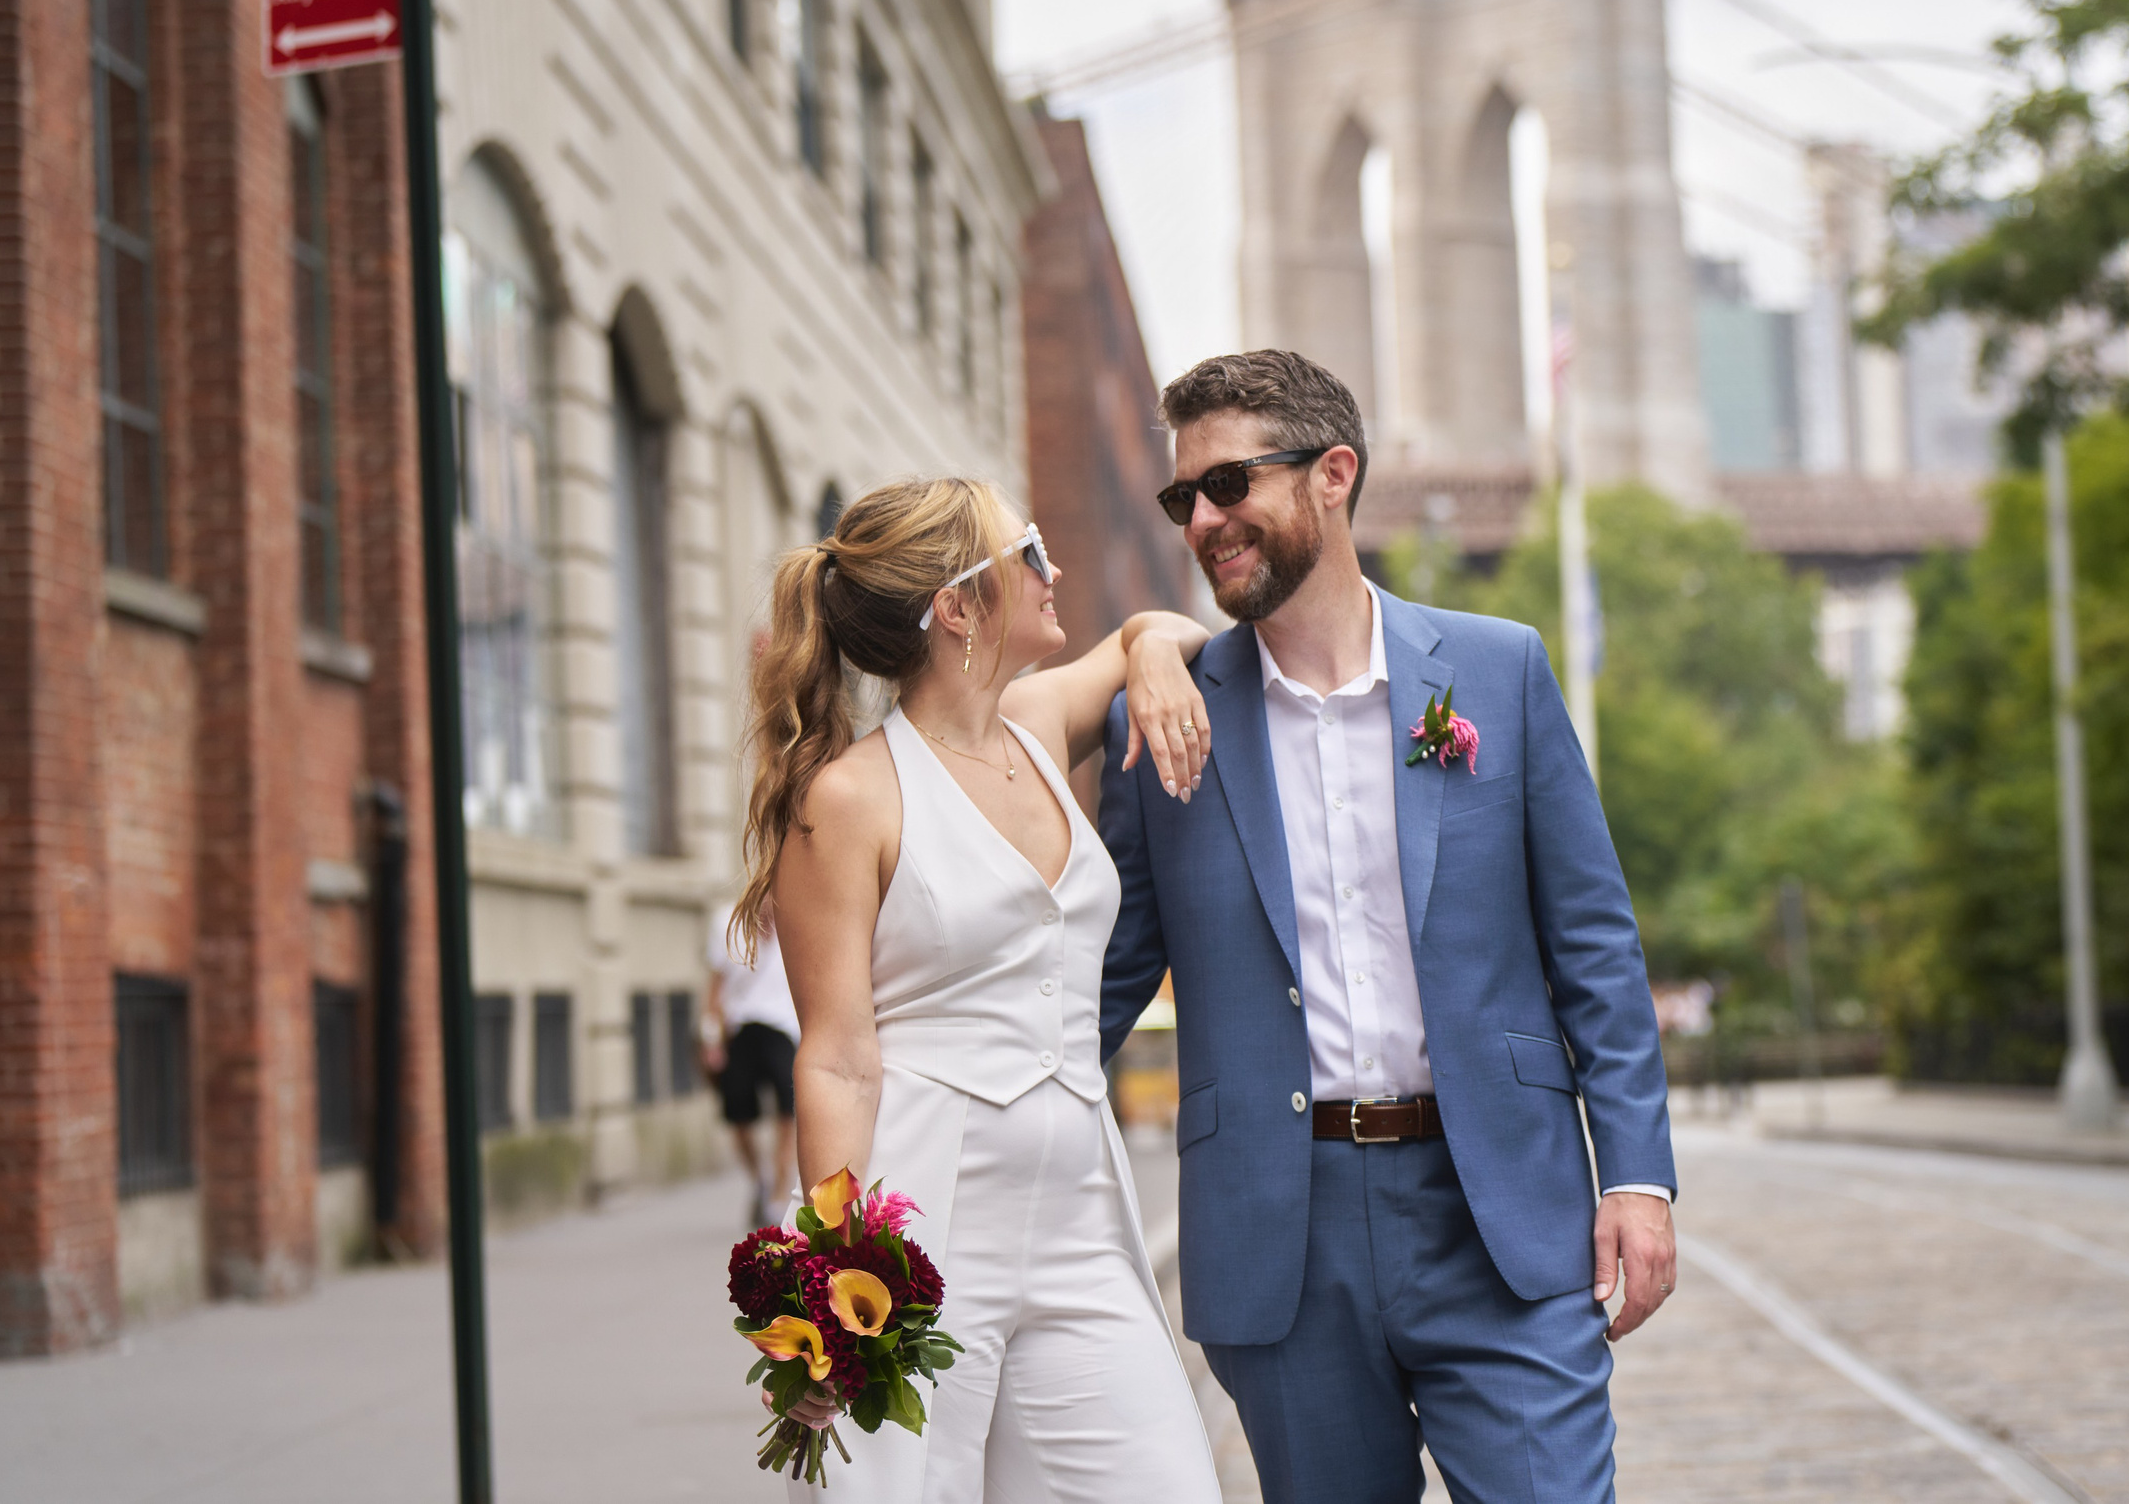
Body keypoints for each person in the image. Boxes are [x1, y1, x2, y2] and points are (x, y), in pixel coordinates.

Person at [1098, 350, 1678, 1504]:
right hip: (1281, 1233)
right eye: (1184, 499)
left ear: (1333, 474)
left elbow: (1593, 946)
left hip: (1499, 1212)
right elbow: (1098, 988)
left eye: (1228, 486)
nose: (1204, 522)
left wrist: (1639, 1180)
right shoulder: (1159, 719)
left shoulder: (1495, 672)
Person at [739, 476, 1223, 1503]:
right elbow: (834, 1052)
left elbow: (1169, 623)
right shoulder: (847, 798)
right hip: (925, 1214)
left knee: (1165, 1483)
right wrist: (830, 1281)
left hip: (1082, 1210)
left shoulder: (1039, 726)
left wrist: (1143, 656)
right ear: (958, 607)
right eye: (1030, 553)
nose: (1054, 574)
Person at [701, 899, 801, 1229]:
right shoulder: (727, 922)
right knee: (738, 1113)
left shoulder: (797, 915)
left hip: (783, 1029)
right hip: (740, 1027)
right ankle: (759, 1176)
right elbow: (715, 986)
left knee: (789, 1110)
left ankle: (777, 1190)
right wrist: (711, 1039)